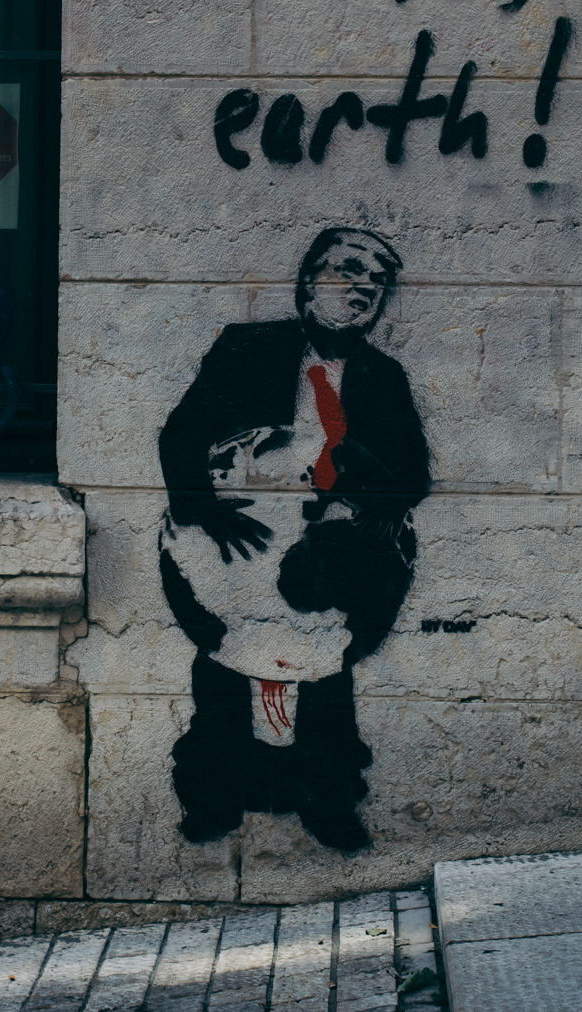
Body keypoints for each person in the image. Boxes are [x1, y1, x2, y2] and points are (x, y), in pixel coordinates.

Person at [158, 226, 431, 851]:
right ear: (309, 282)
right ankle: (214, 797)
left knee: (325, 679)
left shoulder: (383, 377)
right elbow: (181, 435)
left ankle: (328, 801)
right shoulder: (247, 348)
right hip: (237, 551)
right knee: (226, 667)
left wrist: (364, 509)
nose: (363, 288)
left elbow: (412, 474)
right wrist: (207, 513)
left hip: (325, 559)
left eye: (376, 281)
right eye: (348, 271)